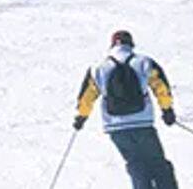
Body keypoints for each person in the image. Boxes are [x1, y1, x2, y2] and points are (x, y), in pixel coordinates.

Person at [73, 30, 179, 189]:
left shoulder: (99, 68)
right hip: (142, 123)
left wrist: (81, 118)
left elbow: (87, 96)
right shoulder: (144, 62)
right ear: (131, 44)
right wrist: (167, 110)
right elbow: (160, 86)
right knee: (157, 162)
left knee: (136, 164)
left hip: (116, 127)